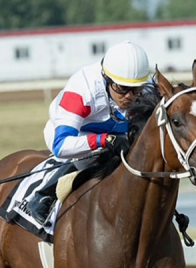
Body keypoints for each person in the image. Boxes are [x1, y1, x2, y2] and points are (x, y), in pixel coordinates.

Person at [27, 41, 151, 225]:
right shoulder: (82, 90)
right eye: (122, 88)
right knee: (98, 155)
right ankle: (44, 195)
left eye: (136, 89)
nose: (129, 96)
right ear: (106, 78)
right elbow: (61, 145)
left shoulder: (144, 86)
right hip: (72, 134)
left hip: (116, 130)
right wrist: (103, 140)